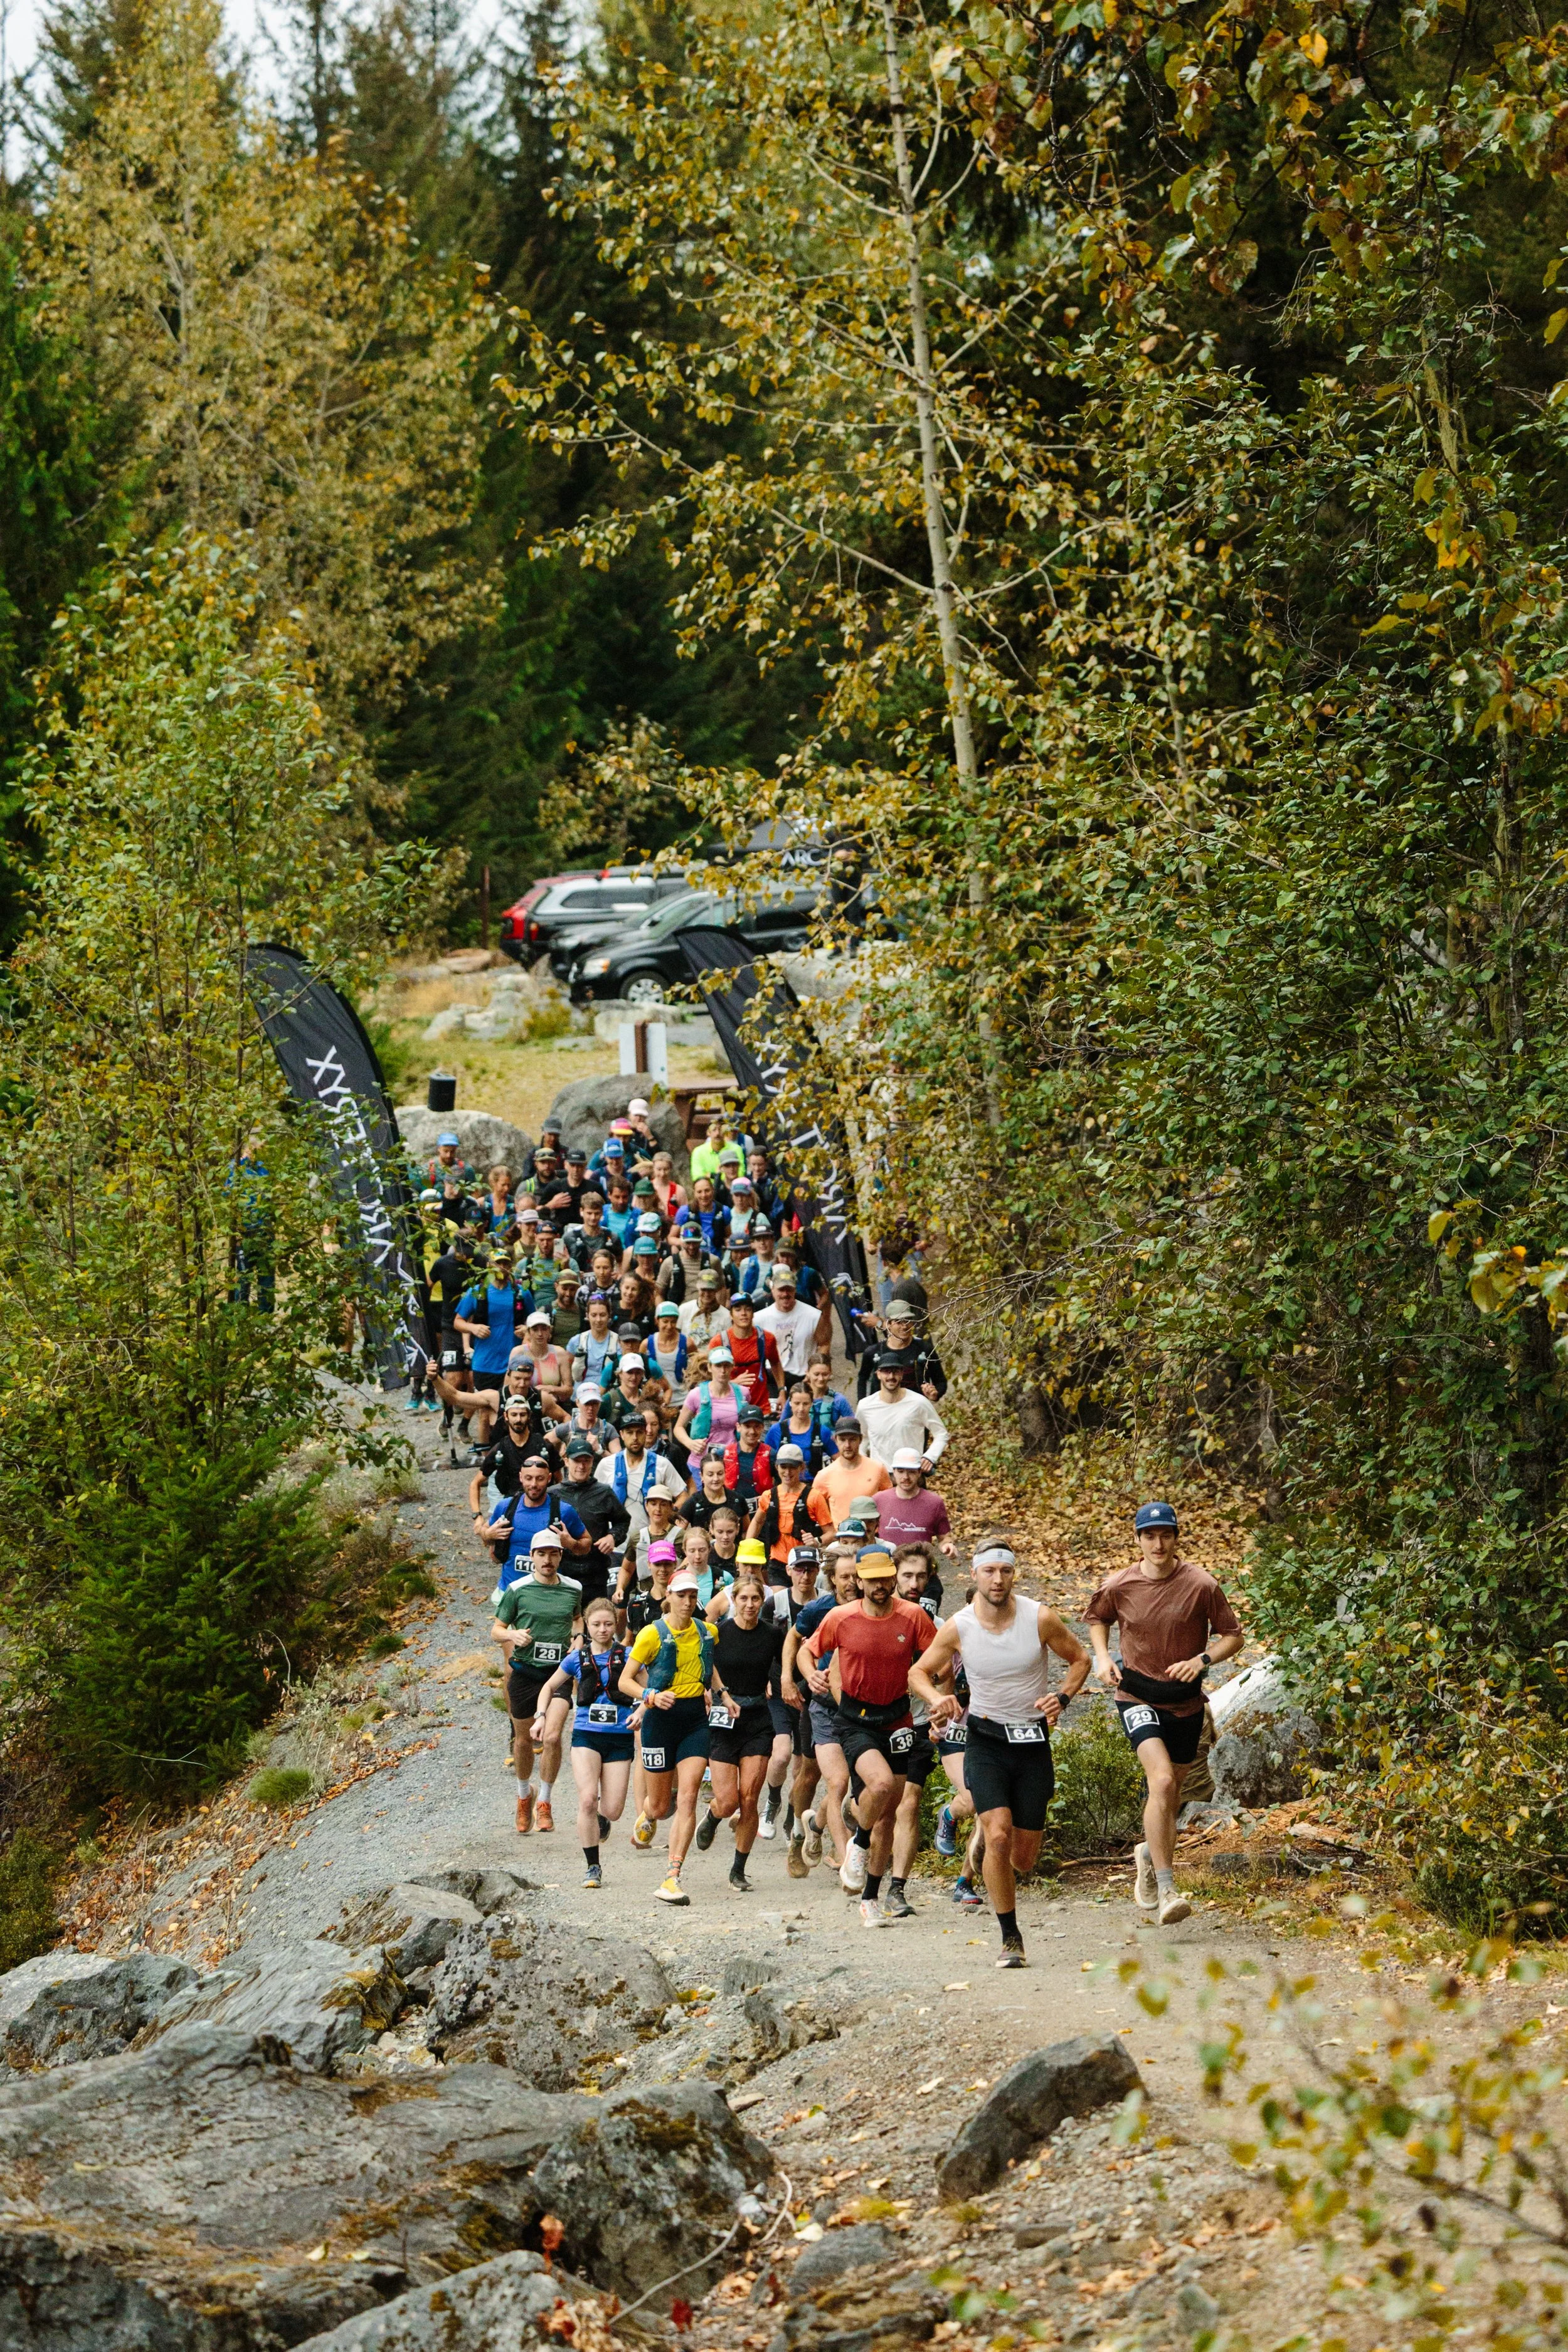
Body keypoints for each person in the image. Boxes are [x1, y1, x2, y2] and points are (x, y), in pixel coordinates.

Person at [912, 1537, 1090, 1966]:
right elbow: (919, 1672)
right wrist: (937, 1700)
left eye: (1005, 1571)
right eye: (989, 1571)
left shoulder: (1039, 1618)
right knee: (997, 1832)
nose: (998, 1579)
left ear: (1014, 1575)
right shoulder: (959, 1626)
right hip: (986, 1739)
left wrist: (1062, 1698)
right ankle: (1011, 1938)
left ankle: (989, 1855)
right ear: (974, 1575)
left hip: (1031, 1743)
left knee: (1024, 1859)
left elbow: (1081, 1659)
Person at [1085, 1502, 1245, 1926]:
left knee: (1170, 1794)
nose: (1158, 1543)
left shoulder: (1201, 1584)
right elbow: (1097, 1618)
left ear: (1176, 1538)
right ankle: (1167, 1886)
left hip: (1187, 1701)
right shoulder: (1121, 1584)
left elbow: (1233, 1636)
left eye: (1166, 1534)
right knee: (1161, 1779)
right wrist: (1102, 1658)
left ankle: (1146, 1852)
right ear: (1138, 1540)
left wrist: (1203, 1660)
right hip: (1136, 1695)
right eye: (1149, 1535)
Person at [802, 1542, 935, 1925]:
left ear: (893, 1577)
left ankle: (871, 1898)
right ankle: (858, 1844)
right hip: (855, 1718)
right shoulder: (841, 1617)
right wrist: (811, 1673)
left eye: (885, 1578)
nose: (880, 1586)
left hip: (898, 1719)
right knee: (880, 1787)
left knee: (889, 1815)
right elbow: (807, 1651)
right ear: (859, 1580)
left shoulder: (913, 1617)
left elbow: (934, 1659)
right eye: (872, 1580)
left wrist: (940, 1697)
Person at [620, 1566, 716, 1904]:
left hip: (694, 1720)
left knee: (688, 1797)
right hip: (660, 1720)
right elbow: (625, 1680)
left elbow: (709, 1662)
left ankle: (673, 1876)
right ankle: (648, 1814)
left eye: (693, 1596)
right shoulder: (651, 1634)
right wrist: (650, 1697)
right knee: (662, 1806)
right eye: (682, 1596)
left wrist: (723, 1692)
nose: (688, 1602)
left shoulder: (707, 1632)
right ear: (670, 1598)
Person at [531, 1596, 633, 1888]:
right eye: (597, 1624)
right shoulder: (576, 1658)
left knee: (612, 1809)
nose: (603, 1630)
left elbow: (647, 1687)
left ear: (616, 1625)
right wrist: (540, 1716)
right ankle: (593, 1867)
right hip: (587, 1735)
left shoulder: (627, 1656)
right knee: (587, 1799)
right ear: (587, 1626)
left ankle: (603, 1817)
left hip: (619, 1738)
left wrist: (642, 1708)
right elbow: (549, 1687)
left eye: (609, 1624)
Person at [692, 1572, 786, 1891]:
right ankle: (714, 1815)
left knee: (749, 1797)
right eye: (743, 1598)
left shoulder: (773, 1634)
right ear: (734, 1600)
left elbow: (788, 1663)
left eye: (755, 1599)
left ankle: (738, 1870)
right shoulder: (718, 1633)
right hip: (724, 1718)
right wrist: (717, 1693)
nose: (749, 1605)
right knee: (729, 1800)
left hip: (758, 1719)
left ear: (763, 1602)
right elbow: (706, 1665)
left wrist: (783, 1683)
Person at [491, 1525, 583, 1834]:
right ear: (531, 1557)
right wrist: (511, 1634)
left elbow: (578, 1618)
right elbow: (496, 1630)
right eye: (541, 1554)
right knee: (524, 1740)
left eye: (553, 1554)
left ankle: (544, 1802)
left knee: (553, 1736)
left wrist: (579, 1638)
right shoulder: (517, 1589)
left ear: (560, 1556)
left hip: (557, 1674)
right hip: (525, 1672)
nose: (547, 1560)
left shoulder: (573, 1588)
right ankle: (523, 1795)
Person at [781, 1549, 862, 1876]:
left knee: (845, 1784)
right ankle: (805, 1837)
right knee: (818, 1776)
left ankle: (817, 1828)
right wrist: (793, 1676)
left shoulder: (876, 1607)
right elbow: (796, 1640)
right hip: (823, 1705)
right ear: (833, 1579)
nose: (853, 1583)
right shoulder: (819, 1610)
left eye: (857, 1575)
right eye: (845, 1576)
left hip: (862, 1710)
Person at [886, 1547, 943, 1917]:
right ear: (893, 1576)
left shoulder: (934, 1623)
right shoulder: (873, 1614)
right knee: (880, 1805)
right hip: (878, 1724)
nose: (914, 1584)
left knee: (910, 1803)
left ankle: (897, 1888)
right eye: (907, 1576)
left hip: (918, 1724)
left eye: (921, 1577)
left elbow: (947, 1669)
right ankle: (854, 1827)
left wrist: (942, 1707)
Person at [483, 1451, 590, 1591]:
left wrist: (572, 1544)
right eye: (529, 1478)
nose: (534, 1484)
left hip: (549, 1594)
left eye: (540, 1479)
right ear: (521, 1477)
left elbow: (587, 1544)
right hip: (509, 1592)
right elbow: (484, 1534)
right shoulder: (506, 1507)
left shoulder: (563, 1511)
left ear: (549, 1478)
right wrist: (488, 1535)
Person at [452, 1253, 524, 1455]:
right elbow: (457, 1321)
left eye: (505, 1263)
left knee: (513, 1410)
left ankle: (513, 1454)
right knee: (484, 1413)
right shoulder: (477, 1292)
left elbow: (534, 1320)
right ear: (489, 1266)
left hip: (512, 1362)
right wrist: (473, 1329)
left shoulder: (520, 1292)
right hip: (485, 1363)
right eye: (497, 1263)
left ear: (510, 1266)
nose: (501, 1267)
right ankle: (486, 1459)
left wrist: (526, 1329)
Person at [553, 1436, 630, 1604]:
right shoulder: (553, 1495)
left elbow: (623, 1521)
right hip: (562, 1571)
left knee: (596, 1622)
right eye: (577, 1461)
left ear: (592, 1462)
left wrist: (613, 1537)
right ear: (566, 1461)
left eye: (586, 1461)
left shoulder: (604, 1492)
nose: (581, 1466)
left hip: (595, 1572)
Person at [857, 1355, 948, 1471]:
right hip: (881, 1477)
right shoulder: (865, 1406)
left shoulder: (919, 1403)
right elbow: (861, 1438)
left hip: (912, 1475)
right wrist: (864, 1462)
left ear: (902, 1374)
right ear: (878, 1374)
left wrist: (930, 1457)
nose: (891, 1377)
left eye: (895, 1372)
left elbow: (941, 1433)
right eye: (886, 1372)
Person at [855, 1298, 947, 1402]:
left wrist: (935, 1394)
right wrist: (863, 1405)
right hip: (883, 1411)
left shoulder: (924, 1349)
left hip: (915, 1410)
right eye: (899, 1322)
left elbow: (940, 1381)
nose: (905, 1326)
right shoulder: (873, 1352)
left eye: (908, 1321)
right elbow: (863, 1379)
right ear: (889, 1324)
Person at [807, 1416, 890, 1532]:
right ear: (835, 1440)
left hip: (871, 1537)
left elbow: (888, 1504)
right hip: (841, 1541)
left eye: (852, 1439)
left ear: (860, 1439)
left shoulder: (878, 1469)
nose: (847, 1445)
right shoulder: (824, 1476)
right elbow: (816, 1511)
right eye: (842, 1440)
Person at [876, 1450, 957, 1562]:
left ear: (920, 1472)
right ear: (893, 1472)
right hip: (887, 1568)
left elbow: (944, 1537)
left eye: (911, 1472)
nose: (906, 1477)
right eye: (900, 1471)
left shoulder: (934, 1502)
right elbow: (868, 1534)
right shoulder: (878, 1500)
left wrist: (948, 1545)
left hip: (921, 1569)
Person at [675, 1345, 743, 1463]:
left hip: (731, 1461)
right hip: (701, 1462)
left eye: (726, 1365)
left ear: (732, 1367)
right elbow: (679, 1427)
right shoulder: (696, 1395)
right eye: (718, 1365)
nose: (723, 1371)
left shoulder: (742, 1394)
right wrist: (690, 1443)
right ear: (710, 1367)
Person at [749, 1440, 812, 1565]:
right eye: (783, 1467)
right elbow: (757, 1521)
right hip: (776, 1560)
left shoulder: (813, 1496)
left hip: (803, 1560)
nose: (787, 1473)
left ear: (801, 1467)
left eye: (792, 1467)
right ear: (777, 1467)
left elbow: (830, 1532)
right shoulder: (768, 1496)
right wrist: (748, 1548)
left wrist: (817, 1541)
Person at [756, 1269, 822, 1382]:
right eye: (781, 1290)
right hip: (772, 1379)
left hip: (804, 1378)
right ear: (773, 1290)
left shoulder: (814, 1315)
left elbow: (824, 1344)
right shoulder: (758, 1318)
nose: (785, 1294)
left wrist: (815, 1372)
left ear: (795, 1290)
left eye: (789, 1290)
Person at [721, 1292, 780, 1413]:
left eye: (748, 1309)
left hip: (762, 1409)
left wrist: (782, 1390)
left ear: (753, 1313)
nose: (743, 1314)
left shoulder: (766, 1339)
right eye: (738, 1310)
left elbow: (776, 1363)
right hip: (731, 1410)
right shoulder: (720, 1342)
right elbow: (709, 1381)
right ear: (731, 1315)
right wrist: (733, 1383)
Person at [766, 1382, 835, 1477]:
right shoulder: (777, 1430)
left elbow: (840, 1460)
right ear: (790, 1403)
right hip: (784, 1487)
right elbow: (765, 1461)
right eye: (797, 1403)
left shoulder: (822, 1431)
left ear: (812, 1403)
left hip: (813, 1487)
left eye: (806, 1404)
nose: (801, 1408)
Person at [724, 1401, 773, 1508]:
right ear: (738, 1427)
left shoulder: (772, 1455)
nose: (752, 1431)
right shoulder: (723, 1455)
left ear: (763, 1427)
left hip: (763, 1512)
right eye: (747, 1426)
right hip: (731, 1512)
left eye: (757, 1426)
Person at [679, 1446, 736, 1532]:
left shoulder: (737, 1500)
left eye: (720, 1473)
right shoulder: (693, 1502)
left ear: (725, 1473)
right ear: (701, 1476)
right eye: (710, 1475)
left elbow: (745, 1532)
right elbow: (676, 1534)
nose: (716, 1479)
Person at [645, 1298, 689, 1399]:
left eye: (673, 1322)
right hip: (655, 1399)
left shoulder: (687, 1343)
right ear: (657, 1321)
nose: (669, 1326)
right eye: (665, 1321)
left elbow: (697, 1368)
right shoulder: (647, 1344)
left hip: (682, 1398)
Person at [650, 1149, 687, 1217]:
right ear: (653, 1168)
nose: (662, 1174)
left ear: (671, 1169)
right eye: (659, 1169)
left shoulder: (679, 1191)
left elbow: (685, 1215)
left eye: (666, 1169)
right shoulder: (647, 1188)